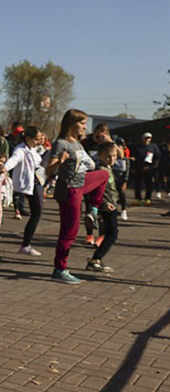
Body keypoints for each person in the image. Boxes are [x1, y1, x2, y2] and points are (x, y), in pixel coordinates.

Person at [44, 109, 108, 285]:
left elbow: (93, 164)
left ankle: (93, 210)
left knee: (103, 175)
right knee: (69, 231)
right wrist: (59, 161)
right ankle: (60, 269)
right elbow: (47, 171)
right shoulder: (61, 144)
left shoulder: (78, 144)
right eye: (82, 123)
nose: (85, 127)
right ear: (72, 124)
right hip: (70, 189)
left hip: (81, 184)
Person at [2, 126, 47, 256]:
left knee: (36, 214)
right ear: (28, 138)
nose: (39, 141)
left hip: (38, 181)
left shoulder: (32, 149)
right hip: (32, 184)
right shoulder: (21, 150)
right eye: (37, 139)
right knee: (36, 213)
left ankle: (26, 244)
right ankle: (26, 245)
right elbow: (14, 159)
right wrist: (5, 168)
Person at [87, 142, 122, 273]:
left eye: (114, 156)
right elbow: (95, 190)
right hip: (107, 206)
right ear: (100, 155)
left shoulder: (107, 167)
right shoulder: (101, 169)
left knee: (111, 233)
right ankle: (95, 259)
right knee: (112, 234)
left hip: (111, 204)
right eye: (108, 156)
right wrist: (103, 204)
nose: (112, 159)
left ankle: (97, 259)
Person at [131, 132, 160, 206]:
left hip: (149, 169)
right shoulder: (137, 146)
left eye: (149, 138)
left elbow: (157, 157)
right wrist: (133, 167)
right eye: (146, 138)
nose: (147, 139)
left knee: (149, 184)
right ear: (142, 139)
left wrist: (153, 166)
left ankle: (148, 199)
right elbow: (133, 157)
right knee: (138, 184)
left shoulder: (153, 147)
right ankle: (138, 199)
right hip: (139, 168)